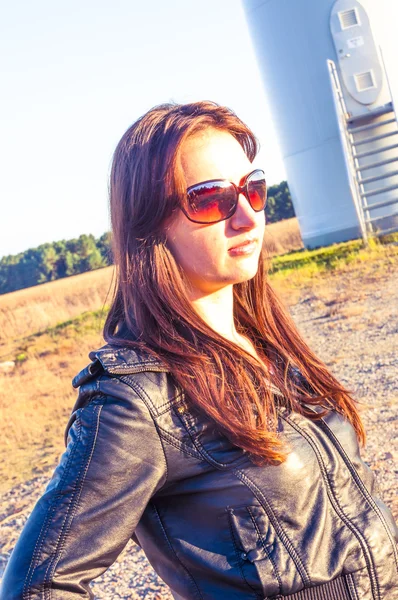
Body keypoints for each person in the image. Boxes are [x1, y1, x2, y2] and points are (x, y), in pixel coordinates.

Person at [2, 101, 398, 600]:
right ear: (151, 224)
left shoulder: (266, 344)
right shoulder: (138, 400)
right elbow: (38, 586)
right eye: (212, 199)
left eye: (254, 189)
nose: (248, 215)